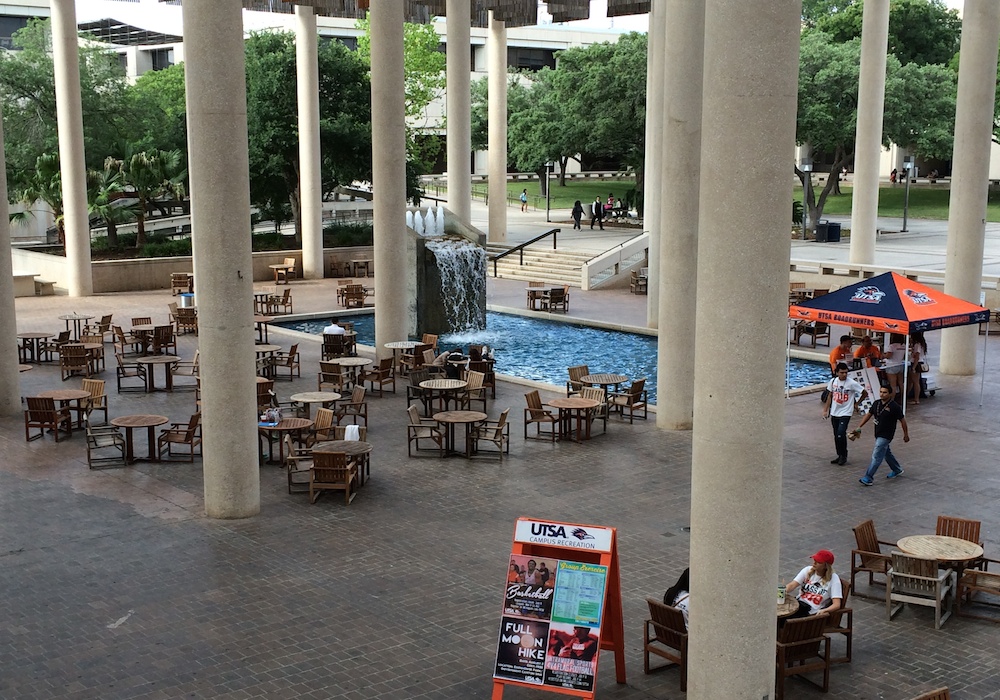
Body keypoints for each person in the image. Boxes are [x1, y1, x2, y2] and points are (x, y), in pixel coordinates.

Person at [854, 384, 909, 485]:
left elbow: (902, 420)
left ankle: (868, 477)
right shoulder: (876, 403)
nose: (882, 394)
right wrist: (859, 426)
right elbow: (868, 415)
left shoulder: (894, 406)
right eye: (881, 392)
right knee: (886, 453)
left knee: (877, 455)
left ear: (890, 394)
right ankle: (897, 469)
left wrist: (906, 434)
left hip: (886, 435)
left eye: (885, 392)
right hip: (878, 433)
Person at [822, 362, 867, 465]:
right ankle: (839, 454)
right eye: (842, 372)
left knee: (841, 433)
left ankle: (844, 455)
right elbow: (830, 396)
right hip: (834, 412)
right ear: (837, 372)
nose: (844, 375)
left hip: (846, 412)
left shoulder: (851, 383)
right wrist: (825, 410)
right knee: (836, 435)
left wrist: (857, 404)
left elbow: (864, 393)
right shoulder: (833, 381)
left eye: (846, 372)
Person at [785, 550, 843, 619]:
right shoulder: (807, 570)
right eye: (814, 560)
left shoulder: (833, 579)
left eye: (818, 562)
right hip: (798, 603)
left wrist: (825, 610)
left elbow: (836, 604)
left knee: (782, 619)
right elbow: (792, 585)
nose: (814, 563)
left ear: (826, 566)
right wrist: (782, 592)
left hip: (811, 611)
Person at [884, 333, 907, 399]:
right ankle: (903, 398)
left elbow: (888, 356)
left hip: (891, 366)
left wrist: (883, 355)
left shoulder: (892, 346)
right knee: (901, 383)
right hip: (900, 364)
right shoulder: (903, 345)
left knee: (893, 386)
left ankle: (892, 400)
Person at [909, 331, 928, 404]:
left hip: (916, 363)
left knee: (915, 382)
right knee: (913, 381)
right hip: (919, 362)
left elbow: (917, 357)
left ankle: (916, 399)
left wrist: (914, 367)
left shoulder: (917, 345)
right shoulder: (921, 344)